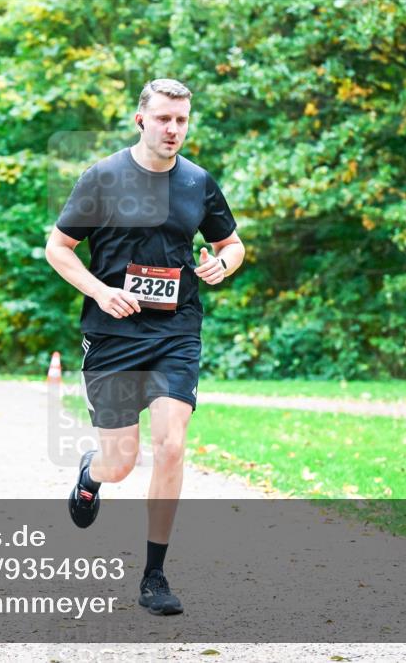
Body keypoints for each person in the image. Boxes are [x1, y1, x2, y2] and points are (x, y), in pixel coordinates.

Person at [45, 79, 246, 616]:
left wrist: (222, 265)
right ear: (141, 120)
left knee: (172, 445)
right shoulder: (103, 177)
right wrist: (100, 291)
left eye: (181, 120)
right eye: (163, 119)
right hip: (112, 334)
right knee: (120, 462)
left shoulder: (198, 182)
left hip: (176, 329)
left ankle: (154, 574)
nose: (173, 129)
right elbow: (58, 248)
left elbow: (232, 243)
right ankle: (92, 474)